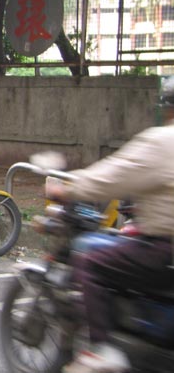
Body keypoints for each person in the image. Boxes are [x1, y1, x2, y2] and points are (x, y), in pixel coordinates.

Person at [47, 76, 174, 373]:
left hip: (163, 250)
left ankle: (101, 352)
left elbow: (112, 176)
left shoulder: (162, 141)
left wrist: (67, 189)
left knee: (90, 263)